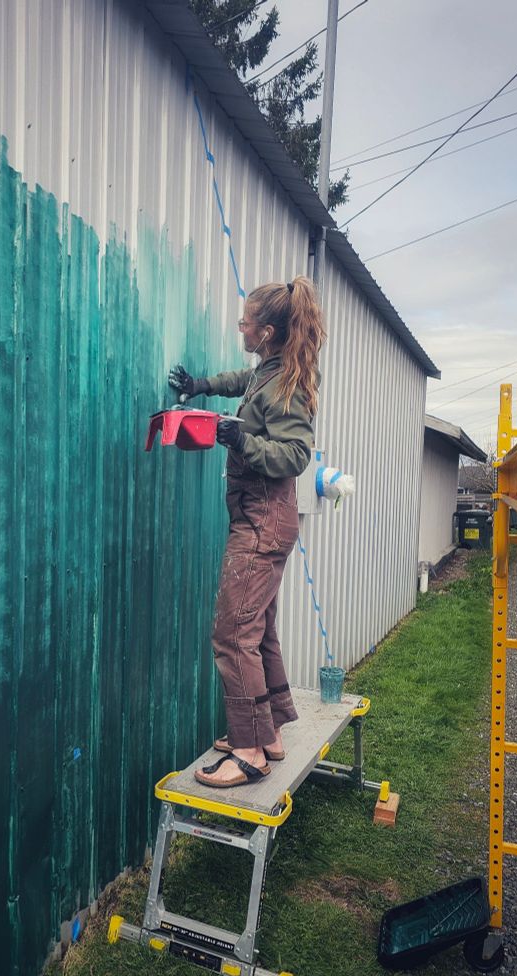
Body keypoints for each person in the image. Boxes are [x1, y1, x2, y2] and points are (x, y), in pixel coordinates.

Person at [168, 276, 326, 788]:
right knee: (257, 628)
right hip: (259, 518)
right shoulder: (270, 370)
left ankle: (249, 751)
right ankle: (271, 730)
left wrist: (241, 439)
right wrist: (202, 386)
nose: (240, 326)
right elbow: (244, 382)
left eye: (246, 322)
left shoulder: (288, 385)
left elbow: (296, 456)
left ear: (267, 331)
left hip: (262, 521)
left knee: (232, 633)